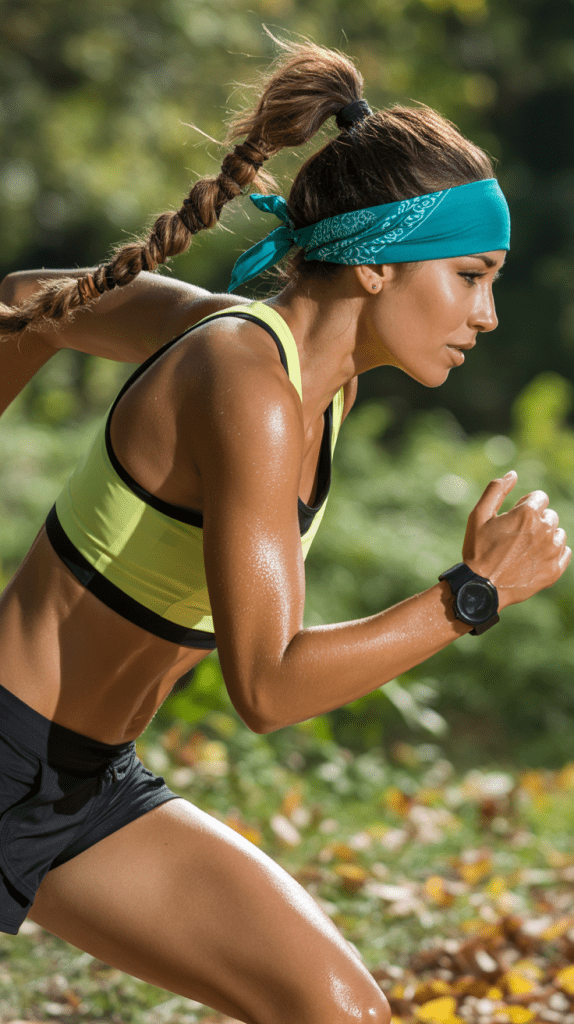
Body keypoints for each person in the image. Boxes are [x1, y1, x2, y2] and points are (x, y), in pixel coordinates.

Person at [0, 37, 569, 1024]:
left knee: (339, 1009)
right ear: (381, 264)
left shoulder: (292, 374)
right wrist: (469, 596)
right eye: (470, 275)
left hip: (85, 790)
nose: (483, 314)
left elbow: (28, 308)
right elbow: (266, 686)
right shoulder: (244, 377)